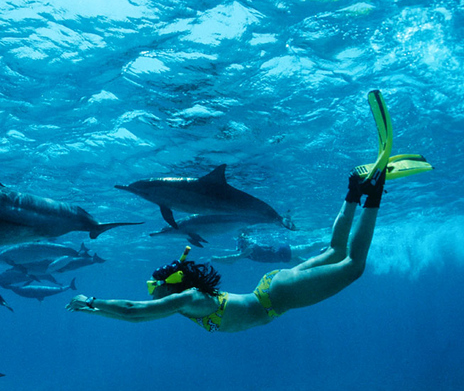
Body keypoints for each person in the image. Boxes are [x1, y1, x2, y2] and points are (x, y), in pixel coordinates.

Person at [66, 91, 410, 332]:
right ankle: (354, 191)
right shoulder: (189, 298)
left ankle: (372, 192)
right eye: (152, 283)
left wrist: (93, 303)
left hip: (277, 296)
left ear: (172, 286)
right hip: (272, 291)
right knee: (337, 253)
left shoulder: (189, 299)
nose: (150, 289)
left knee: (352, 264)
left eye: (152, 283)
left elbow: (135, 313)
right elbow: (136, 312)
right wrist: (94, 306)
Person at [211, 232, 326, 265]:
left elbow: (235, 258)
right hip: (283, 258)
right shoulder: (248, 253)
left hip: (284, 252)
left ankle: (328, 240)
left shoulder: (249, 249)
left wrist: (216, 258)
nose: (239, 246)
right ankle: (326, 251)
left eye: (240, 243)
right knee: (308, 264)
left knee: (309, 248)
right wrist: (221, 260)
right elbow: (231, 261)